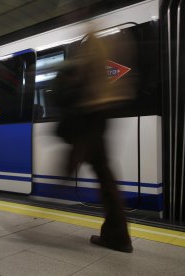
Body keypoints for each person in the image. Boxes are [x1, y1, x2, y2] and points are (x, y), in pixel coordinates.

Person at [55, 33, 133, 253]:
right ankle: (117, 235)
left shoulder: (91, 44)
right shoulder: (103, 44)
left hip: (89, 118)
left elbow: (83, 83)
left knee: (90, 172)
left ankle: (118, 236)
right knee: (104, 175)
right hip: (98, 116)